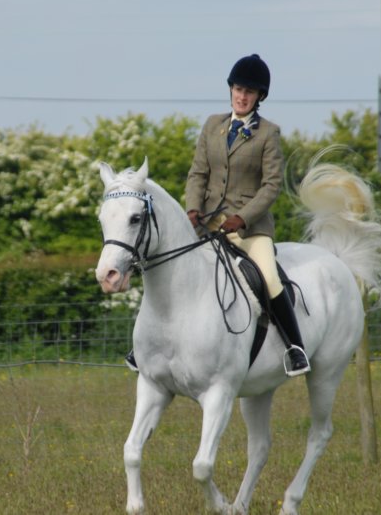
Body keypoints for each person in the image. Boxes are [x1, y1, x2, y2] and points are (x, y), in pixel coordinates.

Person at [125, 53, 310, 377]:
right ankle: (146, 347)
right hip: (207, 222)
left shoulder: (269, 133)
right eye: (238, 89)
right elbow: (198, 173)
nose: (242, 96)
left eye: (249, 92)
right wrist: (192, 210)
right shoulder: (212, 125)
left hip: (249, 229)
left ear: (259, 97)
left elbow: (271, 186)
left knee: (268, 276)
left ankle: (295, 348)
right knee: (166, 265)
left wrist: (244, 217)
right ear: (231, 89)